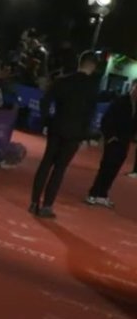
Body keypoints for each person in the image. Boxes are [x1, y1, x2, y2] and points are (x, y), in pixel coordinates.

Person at [30, 51, 99, 218]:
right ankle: (47, 205)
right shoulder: (92, 87)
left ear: (80, 62)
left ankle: (33, 202)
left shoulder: (63, 81)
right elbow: (90, 114)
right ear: (94, 66)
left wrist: (47, 121)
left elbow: (45, 101)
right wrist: (85, 135)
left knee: (46, 164)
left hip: (57, 127)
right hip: (74, 133)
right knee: (59, 169)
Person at [86, 80, 137, 208]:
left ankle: (103, 194)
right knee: (105, 167)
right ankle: (93, 193)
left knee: (114, 169)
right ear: (132, 87)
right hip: (113, 140)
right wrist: (110, 137)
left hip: (125, 142)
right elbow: (107, 119)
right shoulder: (120, 101)